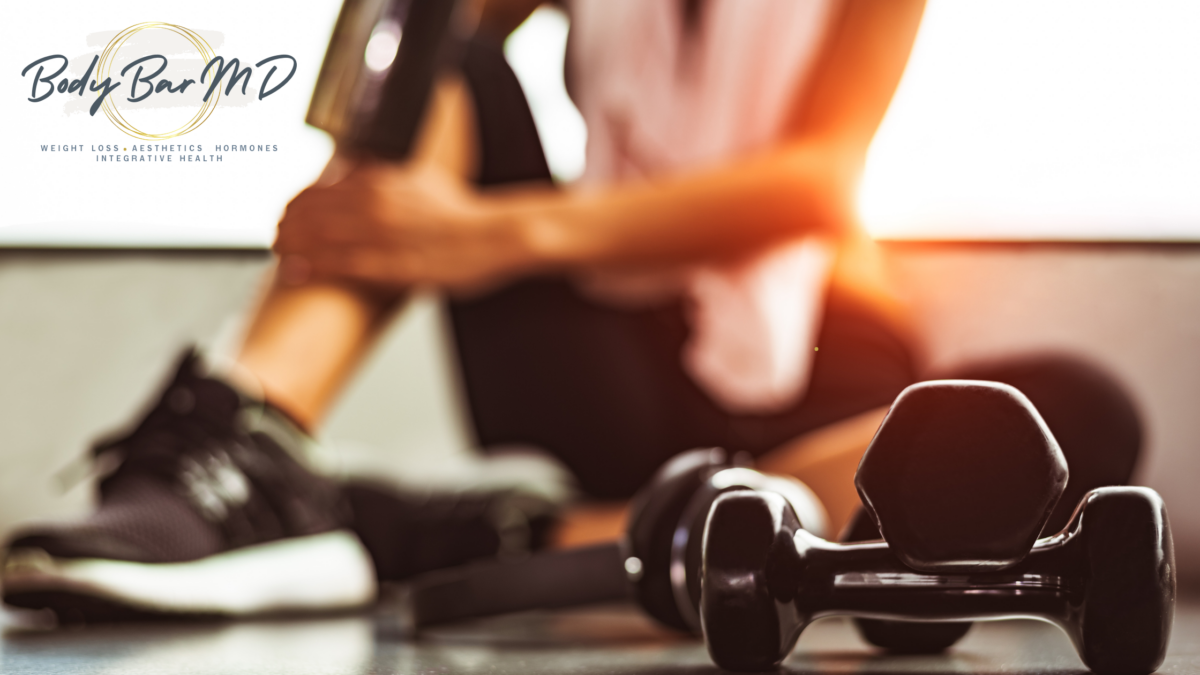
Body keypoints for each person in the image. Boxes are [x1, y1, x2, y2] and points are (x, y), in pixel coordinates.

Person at [1, 0, 1141, 620]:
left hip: (820, 375)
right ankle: (233, 452)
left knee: (1074, 414)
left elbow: (815, 177)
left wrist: (494, 236)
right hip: (601, 362)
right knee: (443, 39)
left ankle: (479, 532)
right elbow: (410, 52)